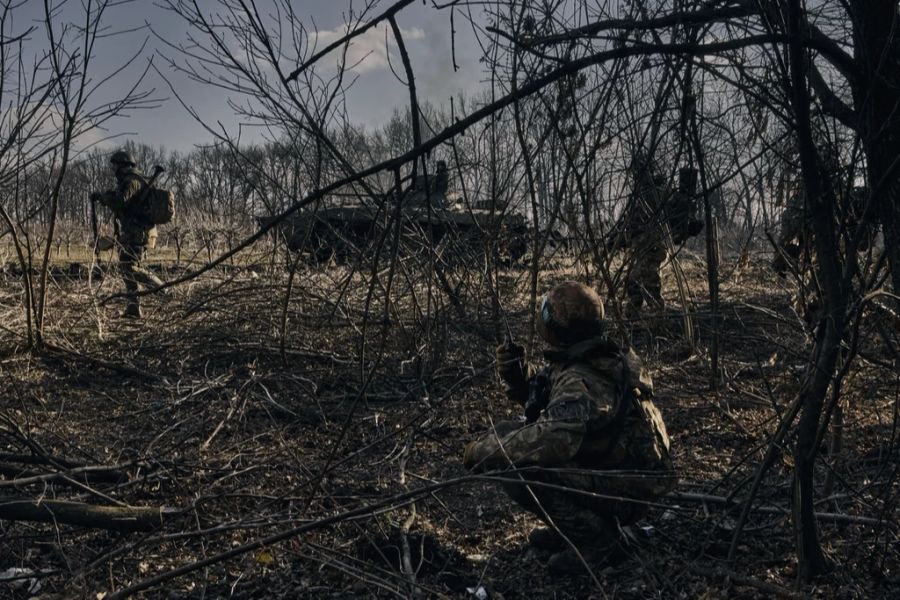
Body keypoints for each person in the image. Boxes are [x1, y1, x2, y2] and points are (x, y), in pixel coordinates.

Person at [463, 282, 677, 576]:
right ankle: (576, 528)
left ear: (555, 328)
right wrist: (518, 376)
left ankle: (598, 541)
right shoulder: (601, 356)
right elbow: (553, 403)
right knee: (506, 434)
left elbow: (553, 441)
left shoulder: (582, 377)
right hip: (628, 475)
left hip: (630, 490)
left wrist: (483, 451)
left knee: (519, 465)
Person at [92, 150, 165, 319]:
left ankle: (163, 290)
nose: (114, 169)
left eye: (115, 165)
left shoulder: (132, 181)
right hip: (134, 231)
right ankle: (133, 308)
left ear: (123, 166)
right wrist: (105, 196)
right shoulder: (130, 181)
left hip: (139, 233)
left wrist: (104, 198)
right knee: (126, 268)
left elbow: (119, 202)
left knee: (131, 267)